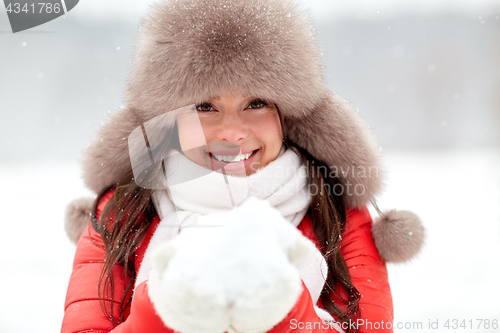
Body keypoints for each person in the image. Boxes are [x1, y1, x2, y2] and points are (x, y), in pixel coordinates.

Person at [61, 0, 424, 332]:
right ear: (169, 124)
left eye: (256, 103)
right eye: (205, 106)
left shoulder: (338, 218)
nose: (232, 132)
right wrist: (160, 310)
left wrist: (285, 309)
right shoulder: (121, 214)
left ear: (288, 118)